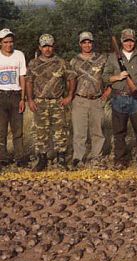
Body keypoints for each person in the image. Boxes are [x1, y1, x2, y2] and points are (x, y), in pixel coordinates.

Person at [102, 28, 137, 170]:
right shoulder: (112, 57)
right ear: (121, 41)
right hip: (119, 99)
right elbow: (105, 77)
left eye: (131, 40)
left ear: (134, 41)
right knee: (119, 132)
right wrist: (118, 77)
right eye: (126, 41)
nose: (129, 43)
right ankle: (120, 160)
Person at [26, 34, 76, 171]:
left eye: (50, 46)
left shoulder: (61, 62)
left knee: (60, 131)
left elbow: (71, 78)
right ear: (40, 47)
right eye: (44, 46)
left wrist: (69, 96)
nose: (47, 49)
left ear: (53, 46)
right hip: (39, 102)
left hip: (57, 103)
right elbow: (29, 81)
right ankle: (42, 160)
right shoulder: (33, 63)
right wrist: (30, 100)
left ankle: (61, 159)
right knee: (40, 132)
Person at [70, 31, 111, 169]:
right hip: (79, 100)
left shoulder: (102, 59)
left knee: (97, 131)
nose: (87, 44)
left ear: (92, 43)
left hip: (97, 100)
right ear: (80, 44)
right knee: (79, 132)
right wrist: (70, 96)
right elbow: (70, 81)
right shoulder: (74, 61)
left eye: (89, 42)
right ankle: (78, 158)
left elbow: (108, 77)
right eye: (84, 42)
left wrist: (107, 93)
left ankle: (96, 158)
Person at [0, 28, 28, 168]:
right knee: (1, 130)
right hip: (1, 95)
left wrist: (23, 98)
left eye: (11, 42)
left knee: (18, 130)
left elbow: (22, 77)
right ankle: (3, 157)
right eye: (5, 42)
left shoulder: (19, 55)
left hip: (16, 95)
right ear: (1, 43)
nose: (9, 45)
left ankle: (20, 157)